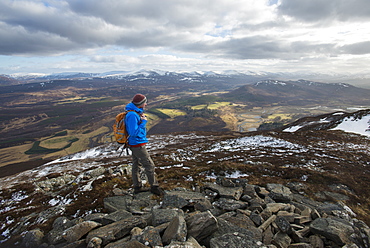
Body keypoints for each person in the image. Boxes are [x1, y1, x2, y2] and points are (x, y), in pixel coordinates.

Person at [125, 94, 164, 196]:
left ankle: (137, 187)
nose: (146, 104)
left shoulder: (135, 113)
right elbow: (133, 132)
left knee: (136, 165)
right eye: (145, 102)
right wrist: (143, 122)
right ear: (140, 104)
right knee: (149, 165)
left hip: (136, 143)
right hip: (137, 144)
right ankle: (154, 187)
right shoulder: (132, 115)